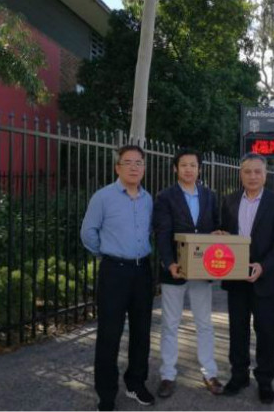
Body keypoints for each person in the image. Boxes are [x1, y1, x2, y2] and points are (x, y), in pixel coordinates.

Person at [80, 145, 155, 411]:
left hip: (142, 271)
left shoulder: (148, 199)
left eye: (139, 163)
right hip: (114, 272)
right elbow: (88, 232)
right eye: (128, 162)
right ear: (117, 167)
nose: (134, 167)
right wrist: (107, 254)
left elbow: (149, 231)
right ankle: (106, 393)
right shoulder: (103, 197)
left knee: (141, 331)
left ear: (144, 168)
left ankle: (136, 383)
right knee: (109, 334)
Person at [220, 153, 274, 404]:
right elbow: (225, 236)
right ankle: (239, 376)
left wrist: (263, 266)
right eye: (247, 171)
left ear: (265, 175)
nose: (252, 176)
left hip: (264, 278)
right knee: (237, 330)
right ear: (240, 174)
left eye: (257, 172)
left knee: (266, 332)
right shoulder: (229, 201)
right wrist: (220, 236)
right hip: (235, 279)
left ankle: (265, 380)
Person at [153, 148, 224, 398]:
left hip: (202, 269)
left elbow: (216, 226)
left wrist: (218, 233)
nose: (188, 169)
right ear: (176, 168)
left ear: (199, 169)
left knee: (204, 323)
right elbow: (162, 233)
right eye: (183, 165)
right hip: (175, 270)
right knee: (170, 324)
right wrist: (169, 263)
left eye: (193, 165)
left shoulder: (210, 196)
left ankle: (209, 372)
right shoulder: (165, 197)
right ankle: (168, 375)